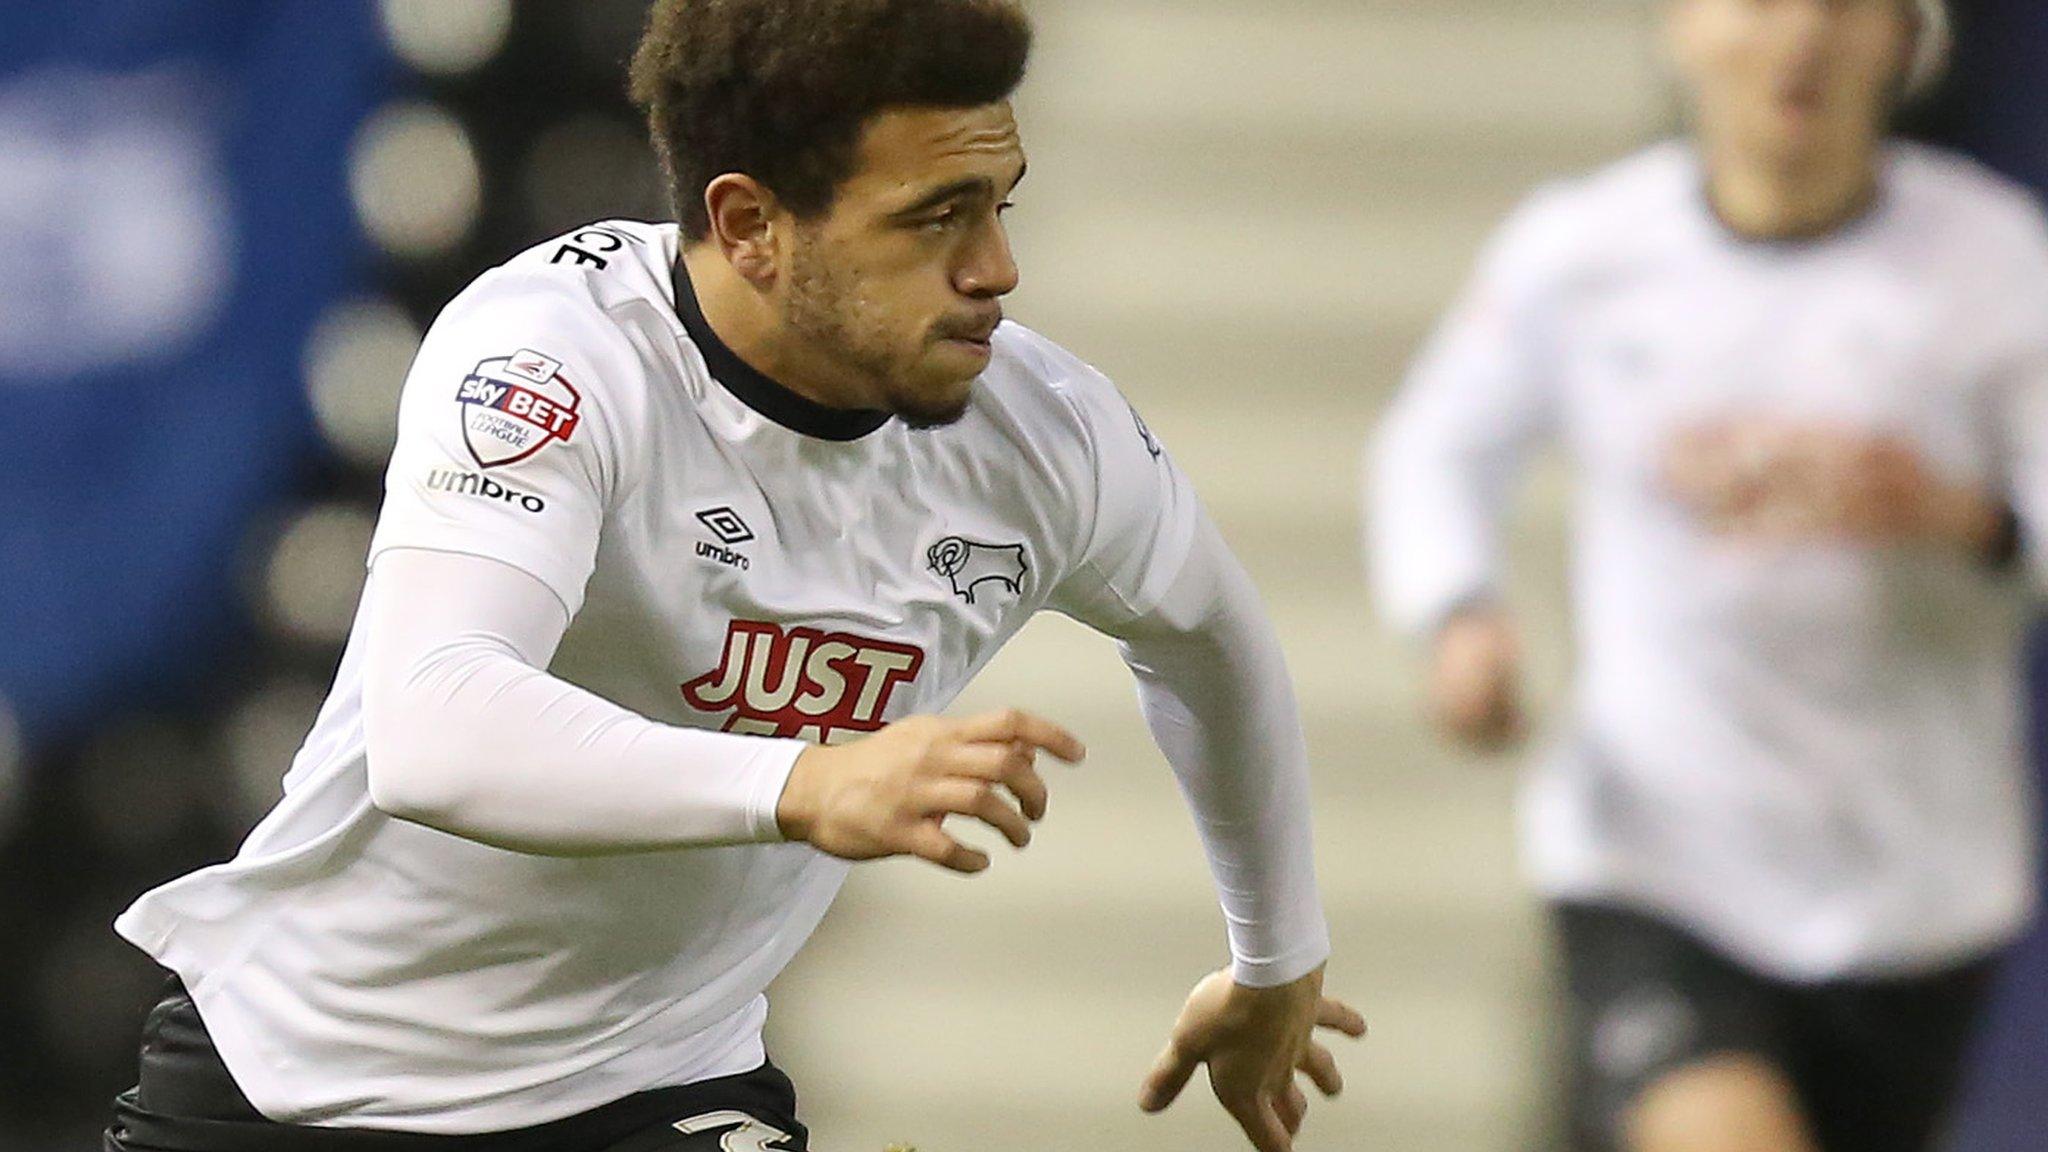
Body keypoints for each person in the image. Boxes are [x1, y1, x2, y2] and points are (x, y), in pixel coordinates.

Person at [101, 2, 1364, 1150]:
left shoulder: (1046, 435)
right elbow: (433, 727)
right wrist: (804, 781)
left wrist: (1275, 961)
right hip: (299, 1079)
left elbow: (1211, 643)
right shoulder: (554, 352)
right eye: (934, 217)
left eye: (1000, 203)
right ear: (750, 224)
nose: (995, 270)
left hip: (647, 1087)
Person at [1367, 2, 2047, 1151]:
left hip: (1911, 889)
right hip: (1654, 857)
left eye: (1841, 7)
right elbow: (1436, 446)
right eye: (1757, 2)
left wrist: (1959, 516)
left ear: (1903, 39)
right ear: (1677, 27)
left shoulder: (1988, 262)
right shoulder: (1584, 250)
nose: (1799, 42)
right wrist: (1457, 614)